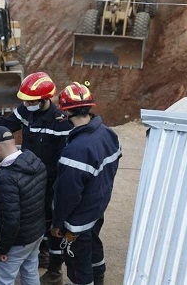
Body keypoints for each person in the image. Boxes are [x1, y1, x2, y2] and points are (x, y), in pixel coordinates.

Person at [0, 72, 73, 278]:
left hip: (49, 180)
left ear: (45, 99)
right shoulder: (26, 111)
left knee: (50, 222)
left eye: (32, 101)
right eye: (26, 101)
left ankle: (53, 267)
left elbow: (63, 158)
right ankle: (36, 250)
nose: (27, 104)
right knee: (29, 216)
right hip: (28, 174)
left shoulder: (60, 122)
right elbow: (9, 126)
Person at [51, 82, 121, 285]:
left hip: (77, 221)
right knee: (94, 247)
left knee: (77, 265)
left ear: (65, 113)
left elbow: (67, 195)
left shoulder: (76, 150)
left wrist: (57, 223)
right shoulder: (108, 134)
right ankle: (99, 279)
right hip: (96, 209)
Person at [0, 126, 47, 285]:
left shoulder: (7, 177)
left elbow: (11, 219)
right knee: (30, 270)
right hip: (36, 232)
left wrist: (3, 248)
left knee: (2, 278)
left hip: (18, 240)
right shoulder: (35, 161)